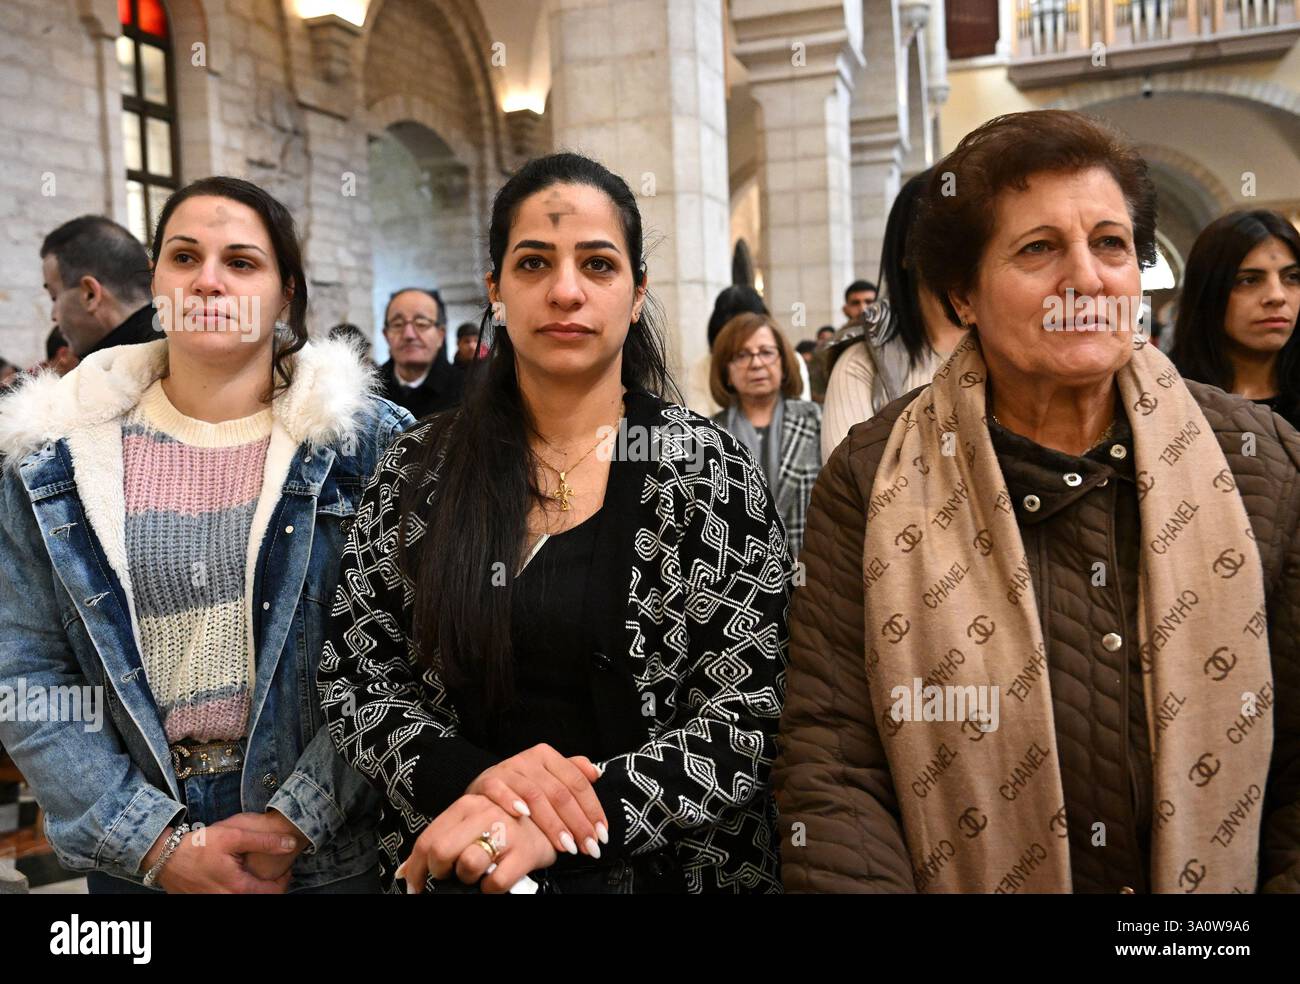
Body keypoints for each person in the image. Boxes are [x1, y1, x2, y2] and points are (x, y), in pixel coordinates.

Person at [775, 110, 1300, 894]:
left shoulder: (1260, 462)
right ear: (963, 296)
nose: (1087, 278)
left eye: (1112, 245)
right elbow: (834, 761)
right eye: (1038, 249)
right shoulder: (869, 475)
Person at [319, 152, 790, 896]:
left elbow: (748, 712)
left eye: (598, 266)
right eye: (534, 263)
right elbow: (356, 677)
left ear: (637, 295)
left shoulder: (705, 471)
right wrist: (483, 786)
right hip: (463, 858)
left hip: (669, 869)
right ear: (496, 291)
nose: (565, 291)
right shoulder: (419, 469)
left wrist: (557, 823)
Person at [0, 176, 413, 894]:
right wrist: (154, 841)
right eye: (184, 257)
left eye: (242, 262)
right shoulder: (54, 458)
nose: (208, 281)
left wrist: (300, 814)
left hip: (325, 847)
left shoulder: (364, 446)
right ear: (155, 279)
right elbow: (25, 666)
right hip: (139, 843)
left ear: (286, 293)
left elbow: (409, 647)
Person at [819, 171, 967, 462]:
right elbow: (849, 487)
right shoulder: (862, 363)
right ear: (905, 251)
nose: (954, 247)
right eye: (939, 230)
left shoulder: (1010, 346)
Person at [1170, 209, 1300, 431]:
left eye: (1292, 277)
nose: (1277, 296)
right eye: (1249, 280)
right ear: (1209, 292)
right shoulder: (1168, 400)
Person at [710, 313, 822, 556]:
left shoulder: (816, 420)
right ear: (726, 371)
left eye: (766, 352)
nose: (757, 363)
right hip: (738, 578)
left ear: (783, 363)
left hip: (809, 573)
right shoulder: (707, 435)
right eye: (742, 355)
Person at [40, 215, 162, 359]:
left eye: (54, 297)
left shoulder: (114, 374)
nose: (53, 316)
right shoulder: (181, 346)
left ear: (90, 294)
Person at [378, 287, 463, 419]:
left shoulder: (469, 391)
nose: (409, 335)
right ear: (386, 335)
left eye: (421, 323)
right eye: (398, 324)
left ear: (440, 335)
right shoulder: (369, 393)